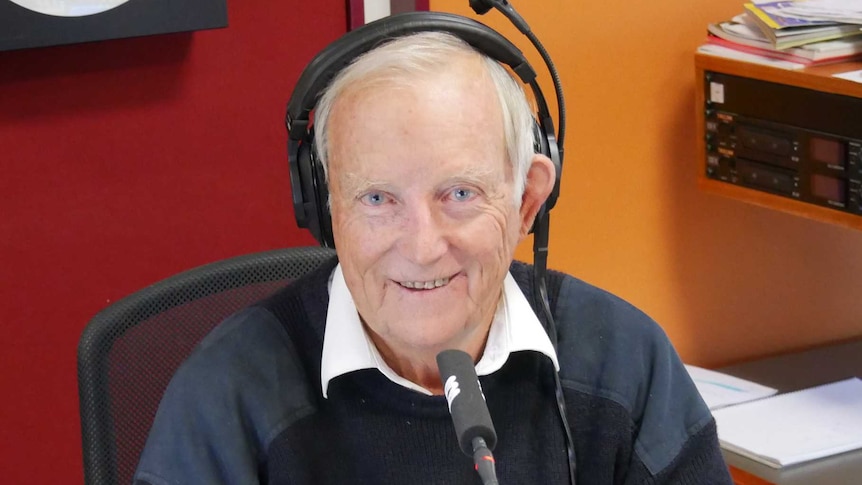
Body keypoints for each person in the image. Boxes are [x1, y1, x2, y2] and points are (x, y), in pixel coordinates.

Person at [134, 25, 733, 485]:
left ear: (527, 200)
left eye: (460, 194)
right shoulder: (229, 391)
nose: (422, 247)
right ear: (326, 210)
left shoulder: (622, 362)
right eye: (377, 198)